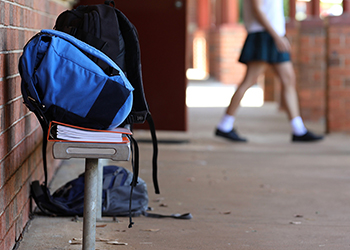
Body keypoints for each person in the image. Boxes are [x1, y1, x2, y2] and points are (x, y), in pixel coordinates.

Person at [215, 0, 323, 142]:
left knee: (288, 80)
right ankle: (225, 124)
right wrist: (276, 37)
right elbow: (257, 9)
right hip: (264, 36)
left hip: (273, 35)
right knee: (249, 80)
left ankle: (298, 129)